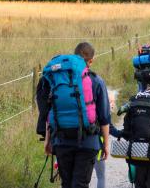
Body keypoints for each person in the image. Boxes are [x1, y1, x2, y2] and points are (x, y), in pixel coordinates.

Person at [37, 42, 110, 188]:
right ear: (91, 60)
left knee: (67, 184)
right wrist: (106, 144)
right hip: (88, 142)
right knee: (80, 184)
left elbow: (49, 110)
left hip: (62, 141)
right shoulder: (96, 81)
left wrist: (48, 140)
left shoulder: (57, 79)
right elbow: (104, 118)